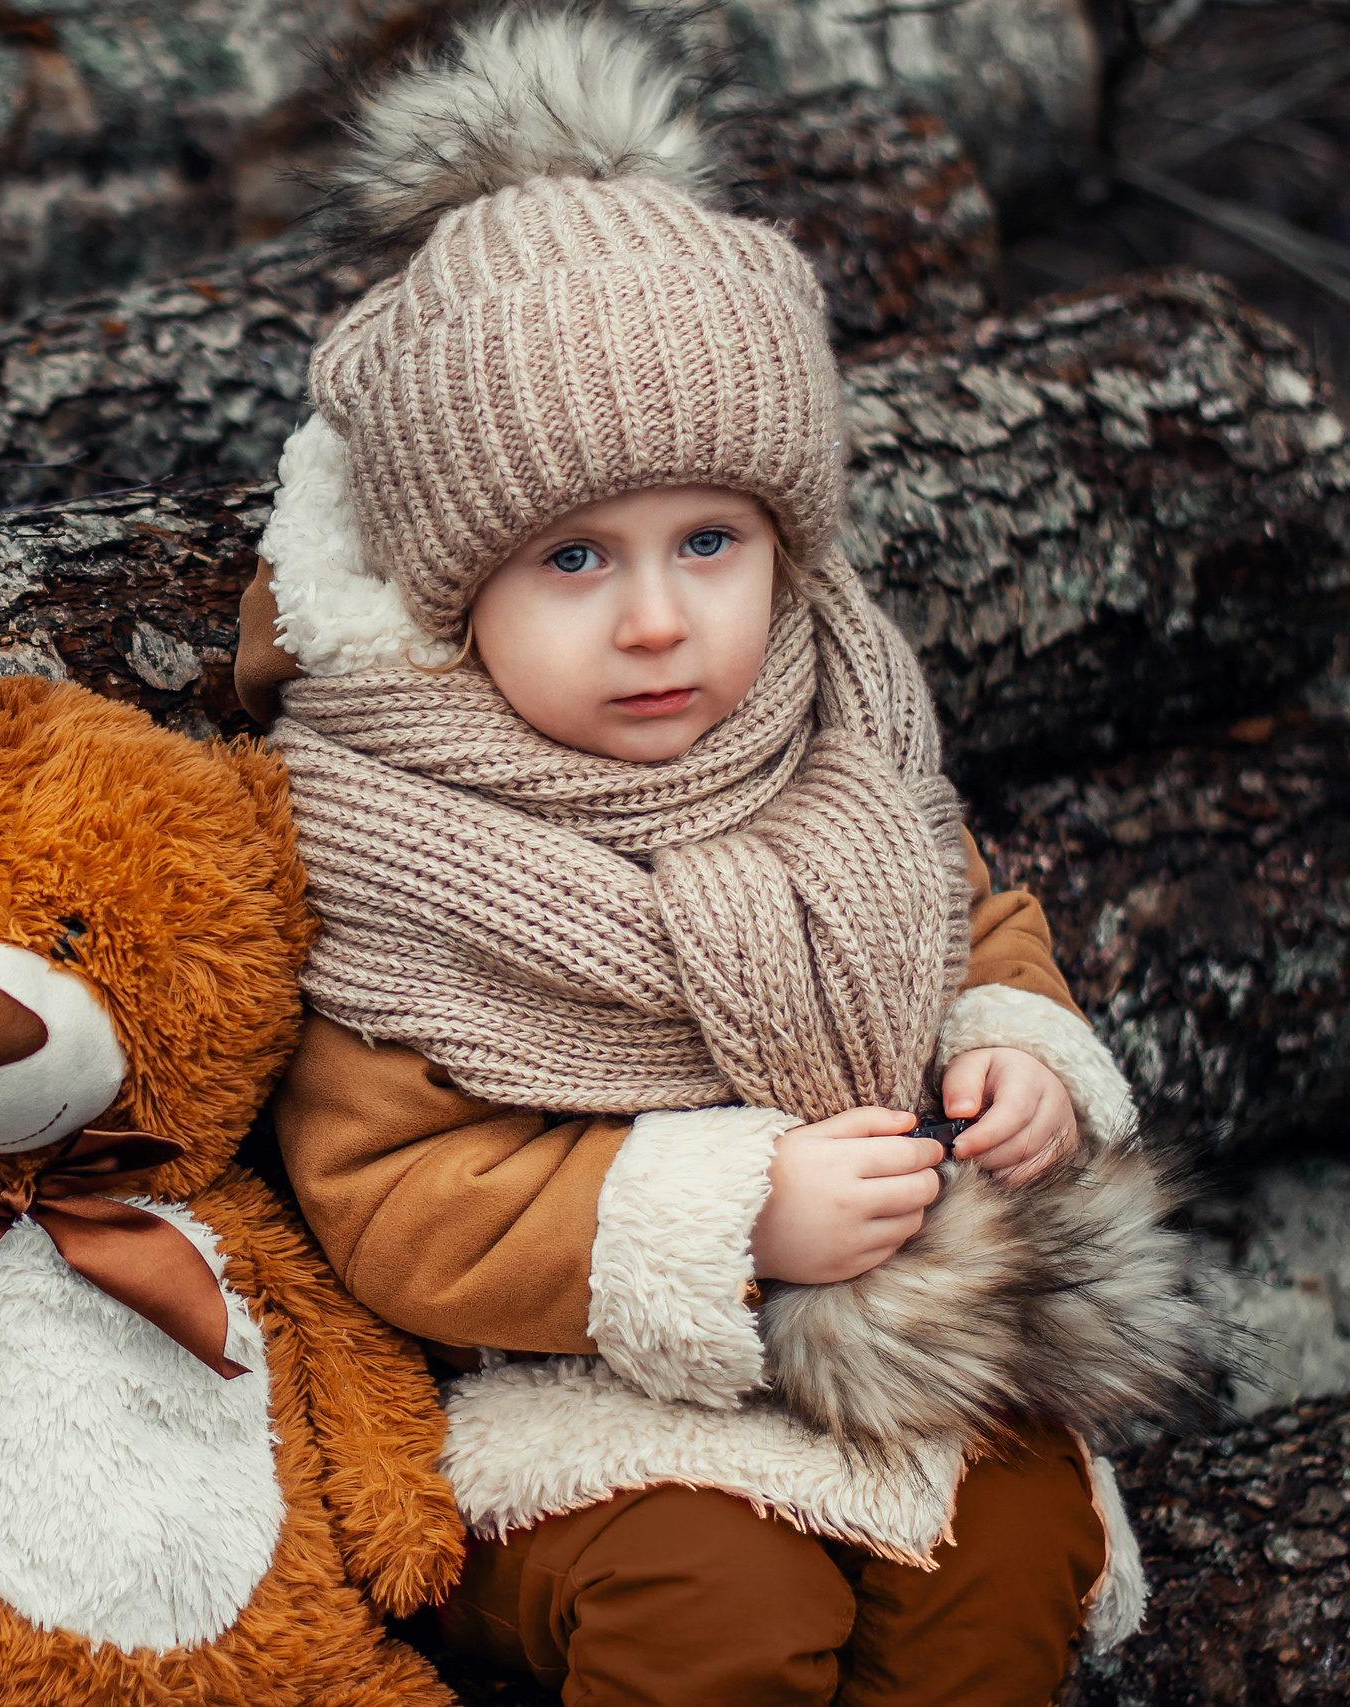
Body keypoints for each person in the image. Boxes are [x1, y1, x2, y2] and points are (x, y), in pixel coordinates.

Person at [231, 8, 1155, 1702]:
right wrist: (732, 1216)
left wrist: (1014, 1049)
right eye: (575, 558)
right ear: (452, 591)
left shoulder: (839, 741)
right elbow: (391, 1199)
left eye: (710, 539)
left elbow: (969, 917)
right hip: (574, 1411)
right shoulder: (398, 847)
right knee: (716, 1607)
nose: (659, 620)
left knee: (1011, 1553)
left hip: (905, 1344)